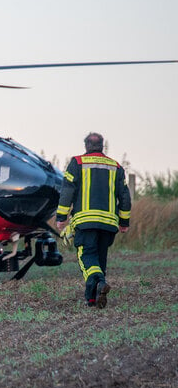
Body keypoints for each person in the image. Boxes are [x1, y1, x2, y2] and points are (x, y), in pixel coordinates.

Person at [56, 132, 131, 309]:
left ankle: (99, 282)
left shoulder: (77, 163)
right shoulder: (116, 167)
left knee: (87, 256)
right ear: (102, 146)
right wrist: (124, 222)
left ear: (86, 146)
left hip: (85, 221)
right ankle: (93, 297)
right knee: (100, 258)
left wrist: (61, 217)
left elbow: (67, 191)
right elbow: (125, 197)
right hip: (109, 223)